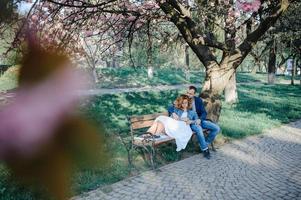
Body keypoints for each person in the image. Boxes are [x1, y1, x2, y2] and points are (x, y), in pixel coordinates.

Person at [187, 85, 220, 152]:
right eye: (187, 92)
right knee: (198, 128)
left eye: (190, 94)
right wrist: (173, 113)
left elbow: (204, 112)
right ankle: (204, 147)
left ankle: (205, 144)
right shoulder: (183, 99)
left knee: (216, 128)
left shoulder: (198, 100)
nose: (188, 95)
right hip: (190, 122)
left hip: (200, 120)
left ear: (194, 94)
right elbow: (172, 107)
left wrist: (200, 119)